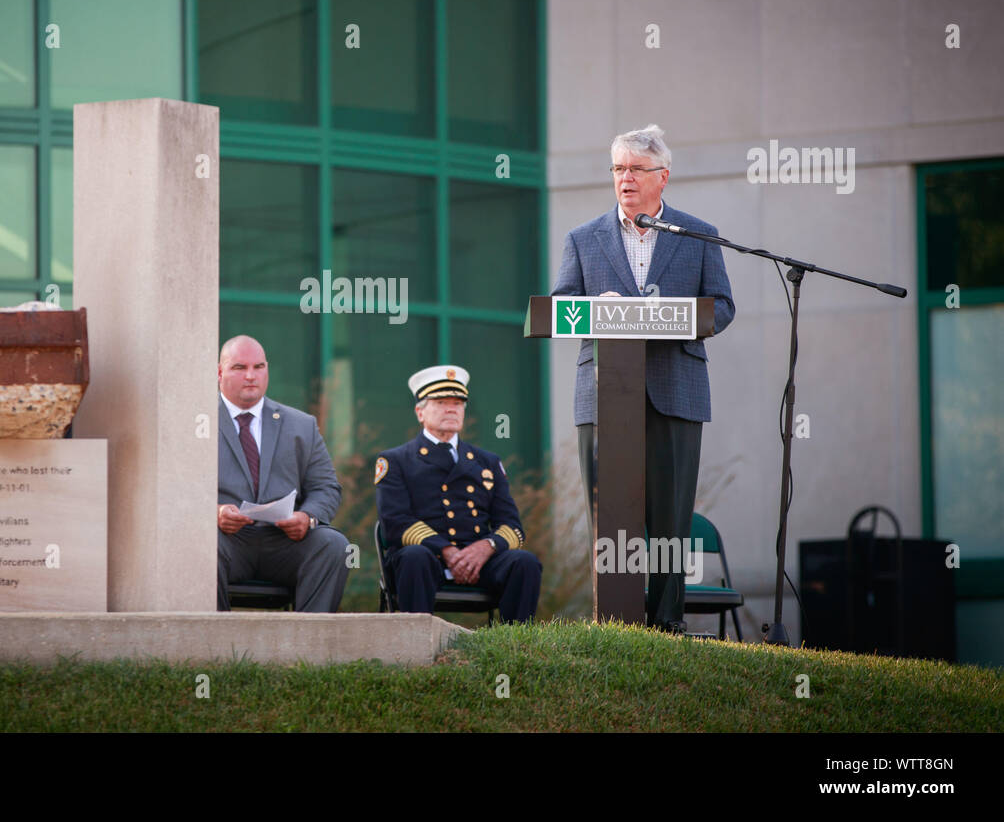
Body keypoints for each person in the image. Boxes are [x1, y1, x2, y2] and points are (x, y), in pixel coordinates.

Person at [551, 123, 734, 632]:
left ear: (663, 177)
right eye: (618, 169)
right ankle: (616, 623)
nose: (625, 179)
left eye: (636, 169)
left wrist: (670, 317)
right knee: (610, 519)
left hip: (676, 391)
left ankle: (667, 623)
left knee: (671, 519)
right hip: (604, 396)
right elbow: (562, 307)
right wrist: (595, 308)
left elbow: (722, 307)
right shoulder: (583, 239)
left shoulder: (697, 235)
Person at [374, 365, 541, 623]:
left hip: (480, 561)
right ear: (420, 412)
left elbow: (513, 527)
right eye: (441, 402)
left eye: (458, 403)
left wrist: (487, 547)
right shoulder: (396, 460)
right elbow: (395, 522)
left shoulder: (488, 462)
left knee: (524, 562)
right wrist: (447, 552)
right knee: (414, 557)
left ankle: (517, 648)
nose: (451, 409)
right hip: (426, 559)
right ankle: (414, 648)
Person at [216, 335, 349, 612]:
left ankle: (309, 645)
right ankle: (212, 646)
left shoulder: (302, 425)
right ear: (220, 373)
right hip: (225, 541)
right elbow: (174, 491)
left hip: (285, 542)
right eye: (239, 368)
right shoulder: (196, 421)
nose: (251, 376)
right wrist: (214, 512)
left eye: (259, 367)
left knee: (335, 545)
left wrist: (307, 517)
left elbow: (327, 488)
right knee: (199, 544)